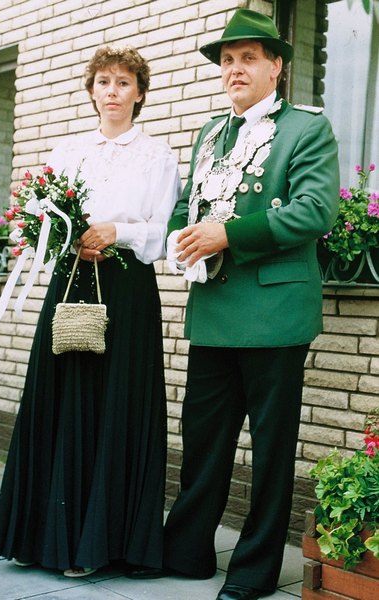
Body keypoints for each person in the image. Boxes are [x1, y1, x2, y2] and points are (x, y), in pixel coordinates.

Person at [163, 8, 339, 600]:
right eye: (227, 60)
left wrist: (228, 235)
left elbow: (315, 210)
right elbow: (186, 207)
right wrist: (181, 239)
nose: (234, 69)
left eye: (248, 58)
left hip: (275, 313)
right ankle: (186, 552)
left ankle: (255, 571)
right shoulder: (209, 133)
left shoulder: (306, 129)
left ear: (276, 67)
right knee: (203, 441)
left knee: (270, 452)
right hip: (213, 308)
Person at [0, 45, 181, 579]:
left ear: (140, 93)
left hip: (126, 286)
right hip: (71, 278)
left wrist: (117, 231)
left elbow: (163, 232)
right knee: (60, 395)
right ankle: (40, 538)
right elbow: (39, 215)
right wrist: (67, 237)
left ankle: (97, 545)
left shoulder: (158, 156)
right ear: (91, 91)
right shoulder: (68, 150)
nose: (112, 91)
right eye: (103, 82)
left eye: (124, 82)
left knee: (114, 401)